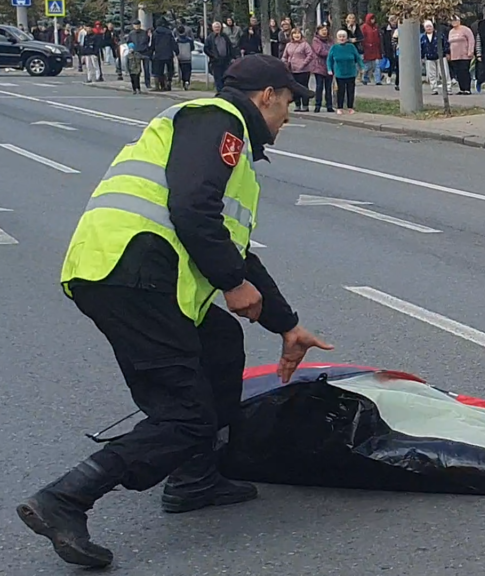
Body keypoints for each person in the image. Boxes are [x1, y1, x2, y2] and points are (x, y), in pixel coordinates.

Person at [15, 54, 328, 569]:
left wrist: (287, 325)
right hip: (133, 274)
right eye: (289, 102)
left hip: (136, 273)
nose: (289, 116)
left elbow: (235, 251)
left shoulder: (230, 145)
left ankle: (196, 477)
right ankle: (65, 499)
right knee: (183, 415)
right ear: (267, 96)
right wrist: (230, 283)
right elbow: (191, 211)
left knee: (221, 343)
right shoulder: (218, 122)